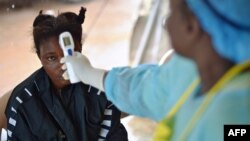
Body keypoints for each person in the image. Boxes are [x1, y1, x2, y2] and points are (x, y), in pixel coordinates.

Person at [61, 0, 250, 140]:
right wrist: (91, 74)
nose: (166, 23)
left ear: (191, 27)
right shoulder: (191, 70)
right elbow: (147, 87)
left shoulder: (236, 115)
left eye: (172, 12)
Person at [5, 7, 128, 141]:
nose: (63, 65)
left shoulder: (102, 93)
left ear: (80, 48)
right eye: (51, 58)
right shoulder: (23, 102)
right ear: (39, 57)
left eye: (70, 53)